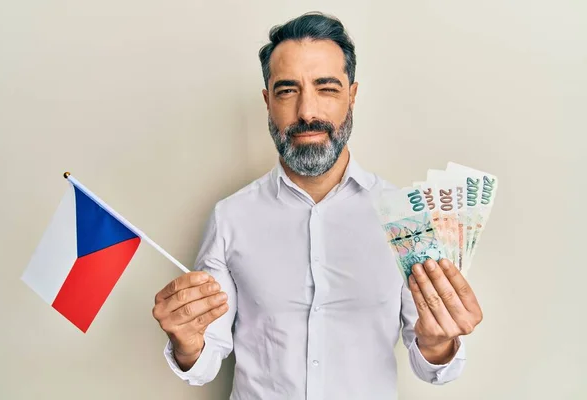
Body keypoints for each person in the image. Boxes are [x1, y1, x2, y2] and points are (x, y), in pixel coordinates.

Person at [152, 11, 483, 400]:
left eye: (326, 88)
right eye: (287, 90)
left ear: (352, 96)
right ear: (267, 101)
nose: (307, 111)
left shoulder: (407, 217)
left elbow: (433, 365)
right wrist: (187, 342)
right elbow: (205, 362)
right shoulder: (231, 217)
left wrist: (439, 343)